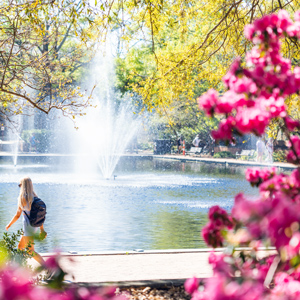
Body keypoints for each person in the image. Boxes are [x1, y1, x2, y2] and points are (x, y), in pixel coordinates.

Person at [5, 177, 47, 266]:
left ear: (23, 186)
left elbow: (17, 215)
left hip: (28, 227)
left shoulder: (22, 198)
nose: (19, 187)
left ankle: (47, 268)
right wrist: (42, 229)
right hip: (34, 226)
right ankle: (21, 268)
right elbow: (40, 215)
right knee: (20, 247)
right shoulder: (35, 197)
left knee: (30, 251)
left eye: (20, 185)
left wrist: (9, 225)